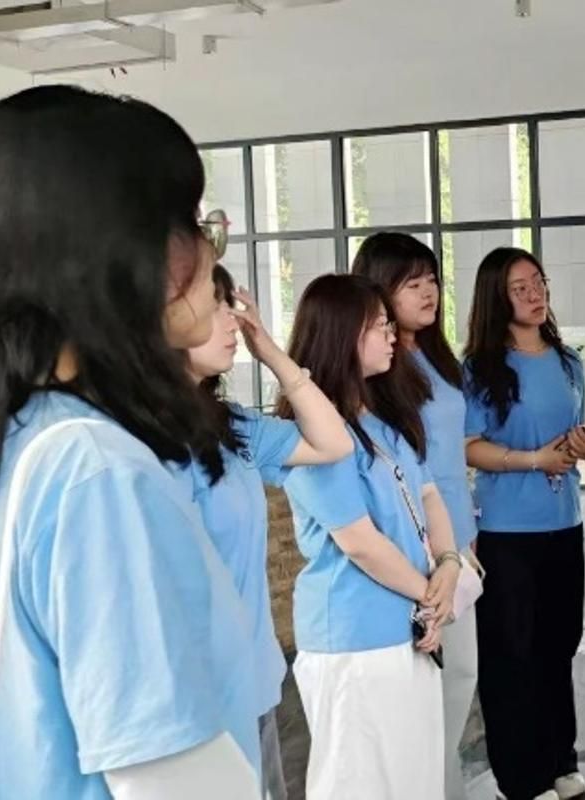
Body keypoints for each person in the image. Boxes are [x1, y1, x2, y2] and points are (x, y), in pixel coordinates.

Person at [0, 86, 263, 799]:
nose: (209, 250)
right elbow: (173, 780)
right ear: (118, 250)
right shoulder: (90, 470)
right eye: (192, 222)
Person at [278, 274, 461, 800]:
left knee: (413, 781)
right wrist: (430, 597)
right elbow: (358, 542)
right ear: (342, 335)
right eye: (379, 326)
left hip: (409, 627)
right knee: (358, 784)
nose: (391, 335)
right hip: (354, 638)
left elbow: (428, 495)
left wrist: (448, 564)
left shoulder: (384, 419)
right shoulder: (315, 434)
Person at [182, 264, 353, 800]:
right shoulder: (137, 442)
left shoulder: (230, 424)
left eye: (229, 305)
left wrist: (272, 354)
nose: (232, 320)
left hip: (253, 678)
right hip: (196, 697)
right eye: (214, 306)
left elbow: (332, 442)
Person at [463, 248, 585, 800]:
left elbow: (582, 437)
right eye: (519, 288)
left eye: (538, 282)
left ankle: (559, 761)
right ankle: (520, 779)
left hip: (564, 521)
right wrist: (531, 460)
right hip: (506, 530)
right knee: (511, 655)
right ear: (497, 299)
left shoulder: (568, 362)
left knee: (557, 645)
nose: (534, 294)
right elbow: (468, 447)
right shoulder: (480, 369)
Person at [351, 232, 480, 800]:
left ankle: (443, 786)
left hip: (456, 540)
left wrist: (463, 543)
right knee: (427, 690)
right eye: (412, 283)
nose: (429, 292)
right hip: (412, 550)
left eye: (432, 279)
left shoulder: (436, 356)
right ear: (380, 290)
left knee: (461, 677)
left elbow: (449, 459)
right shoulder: (377, 368)